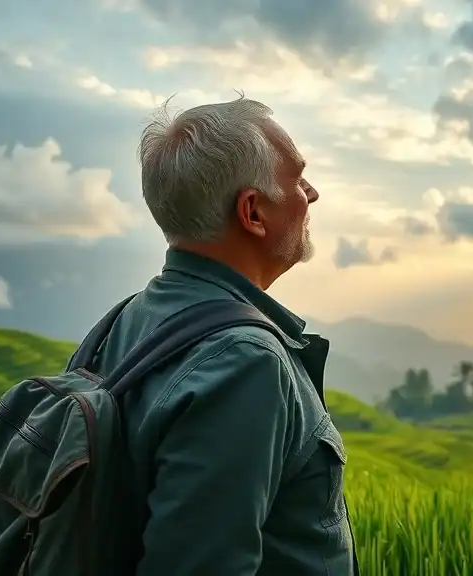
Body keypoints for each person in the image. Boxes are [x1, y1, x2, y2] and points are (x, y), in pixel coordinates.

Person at [88, 96, 358, 575]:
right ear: (253, 212)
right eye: (296, 178)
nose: (311, 194)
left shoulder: (120, 323)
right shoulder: (245, 363)